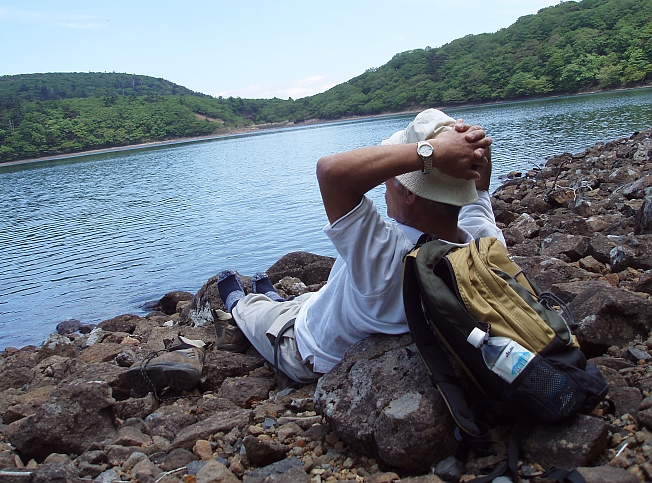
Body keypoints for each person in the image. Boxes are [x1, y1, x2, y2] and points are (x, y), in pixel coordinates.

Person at [126, 108, 504, 395]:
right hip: (331, 306)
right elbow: (479, 195)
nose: (385, 183)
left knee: (256, 311)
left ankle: (243, 309)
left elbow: (331, 172)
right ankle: (275, 298)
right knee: (309, 298)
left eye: (393, 179)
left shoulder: (388, 255)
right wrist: (468, 154)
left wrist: (429, 152)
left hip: (306, 347)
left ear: (406, 191)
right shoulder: (482, 241)